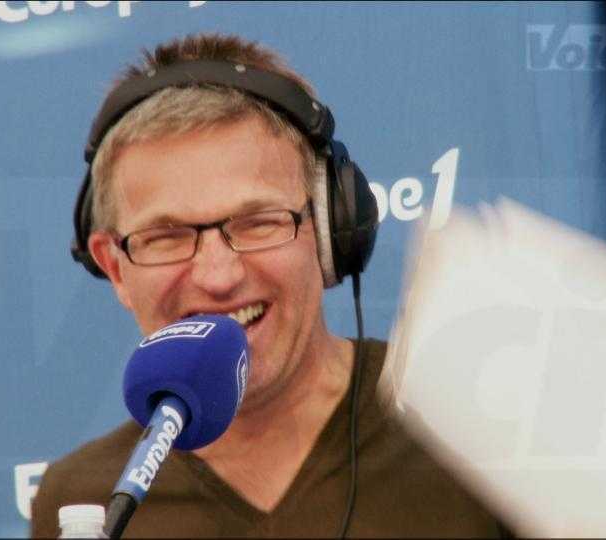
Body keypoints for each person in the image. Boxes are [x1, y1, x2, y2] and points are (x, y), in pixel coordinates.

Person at [31, 33, 506, 538]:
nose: (218, 276)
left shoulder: (480, 426)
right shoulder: (84, 504)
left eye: (258, 222)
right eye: (166, 237)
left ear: (329, 231)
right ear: (115, 268)